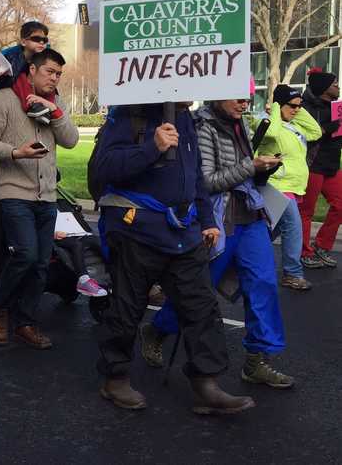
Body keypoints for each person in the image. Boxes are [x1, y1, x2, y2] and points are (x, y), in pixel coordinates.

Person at [92, 102, 255, 414]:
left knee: (202, 306)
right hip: (136, 230)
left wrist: (207, 219)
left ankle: (206, 383)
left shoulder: (184, 117)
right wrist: (152, 147)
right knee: (126, 308)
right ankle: (114, 378)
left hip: (184, 233)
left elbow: (193, 176)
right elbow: (105, 168)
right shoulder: (128, 115)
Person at [139, 98, 294, 390]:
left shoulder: (240, 123)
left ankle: (257, 361)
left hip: (251, 216)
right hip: (219, 222)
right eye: (237, 96)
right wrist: (252, 165)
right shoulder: (201, 125)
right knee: (198, 292)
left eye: (247, 97)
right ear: (218, 93)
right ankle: (157, 330)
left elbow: (244, 174)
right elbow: (207, 181)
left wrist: (262, 168)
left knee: (263, 284)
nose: (244, 102)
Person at [0, 48, 79, 349]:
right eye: (50, 71)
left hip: (45, 195)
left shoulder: (54, 102)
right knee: (26, 254)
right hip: (12, 190)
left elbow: (71, 140)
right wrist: (15, 152)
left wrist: (55, 111)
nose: (55, 78)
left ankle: (25, 322)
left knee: (41, 265)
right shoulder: (4, 100)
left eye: (59, 73)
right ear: (31, 70)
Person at [256, 85, 323, 290]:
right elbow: (273, 134)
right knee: (293, 225)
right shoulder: (265, 121)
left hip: (292, 186)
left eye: (299, 106)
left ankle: (240, 256)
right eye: (292, 106)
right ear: (278, 105)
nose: (296, 110)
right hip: (274, 184)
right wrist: (276, 108)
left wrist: (296, 107)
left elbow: (316, 131)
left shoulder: (295, 126)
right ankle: (292, 273)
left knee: (268, 231)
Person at [299, 68, 341, 269]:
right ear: (325, 88)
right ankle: (304, 252)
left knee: (340, 205)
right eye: (335, 84)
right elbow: (305, 135)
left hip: (332, 166)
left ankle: (322, 245)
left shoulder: (336, 107)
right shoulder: (304, 107)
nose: (338, 87)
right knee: (306, 211)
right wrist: (327, 129)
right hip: (313, 165)